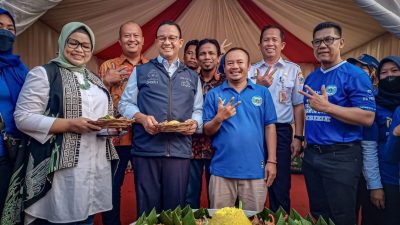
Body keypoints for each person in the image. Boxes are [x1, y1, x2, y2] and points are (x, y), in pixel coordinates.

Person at [11, 22, 118, 225]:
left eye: (86, 46)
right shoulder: (44, 74)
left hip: (96, 166)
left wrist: (112, 127)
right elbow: (23, 117)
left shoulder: (95, 79)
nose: (79, 50)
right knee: (59, 215)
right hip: (60, 170)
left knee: (87, 216)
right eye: (74, 43)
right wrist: (69, 124)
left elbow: (101, 118)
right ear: (62, 43)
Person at [119, 20, 203, 216]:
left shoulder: (192, 76)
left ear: (180, 42)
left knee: (174, 211)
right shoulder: (141, 71)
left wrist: (195, 123)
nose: (167, 42)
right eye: (163, 38)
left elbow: (198, 109)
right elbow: (124, 104)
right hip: (146, 150)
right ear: (156, 41)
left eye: (172, 38)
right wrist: (140, 118)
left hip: (179, 151)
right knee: (147, 211)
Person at [298, 21, 375, 225]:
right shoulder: (312, 78)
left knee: (342, 216)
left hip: (341, 157)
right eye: (317, 41)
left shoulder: (355, 75)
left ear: (341, 43)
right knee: (319, 213)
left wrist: (329, 107)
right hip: (312, 156)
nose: (322, 45)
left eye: (328, 40)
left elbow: (367, 117)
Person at [203, 47, 277, 211]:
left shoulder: (262, 92)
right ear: (224, 67)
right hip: (221, 171)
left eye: (239, 62)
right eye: (230, 63)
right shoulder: (214, 94)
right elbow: (207, 130)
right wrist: (219, 118)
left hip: (255, 172)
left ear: (249, 65)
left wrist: (272, 160)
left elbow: (270, 126)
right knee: (220, 221)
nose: (235, 66)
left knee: (254, 220)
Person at [248, 25, 305, 212]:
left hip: (281, 131)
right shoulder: (250, 70)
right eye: (266, 40)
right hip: (253, 131)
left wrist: (298, 137)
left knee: (280, 185)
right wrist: (257, 85)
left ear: (282, 44)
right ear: (259, 44)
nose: (270, 43)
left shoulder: (293, 70)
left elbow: (298, 105)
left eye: (274, 40)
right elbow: (242, 98)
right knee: (251, 182)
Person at [98, 21, 148, 225]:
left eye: (136, 35)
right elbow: (95, 101)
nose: (132, 39)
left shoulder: (152, 66)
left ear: (143, 40)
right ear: (119, 40)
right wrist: (105, 82)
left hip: (146, 136)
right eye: (127, 36)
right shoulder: (108, 66)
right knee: (111, 186)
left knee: (146, 186)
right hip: (117, 139)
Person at [185, 38, 224, 209]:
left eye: (211, 53)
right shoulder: (187, 81)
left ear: (218, 57)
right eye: (202, 53)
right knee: (188, 197)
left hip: (219, 149)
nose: (207, 57)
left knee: (217, 200)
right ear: (198, 57)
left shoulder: (227, 81)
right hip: (190, 147)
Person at [362, 56, 400, 225]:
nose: (389, 76)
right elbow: (369, 149)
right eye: (384, 73)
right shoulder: (373, 105)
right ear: (378, 77)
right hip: (385, 180)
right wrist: (375, 185)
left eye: (395, 71)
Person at [0, 8, 28, 218]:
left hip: (13, 149)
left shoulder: (19, 68)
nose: (5, 33)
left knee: (9, 210)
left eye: (10, 29)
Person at [346, 53, 380, 224]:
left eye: (363, 68)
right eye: (354, 68)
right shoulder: (347, 97)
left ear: (374, 73)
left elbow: (369, 143)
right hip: (350, 166)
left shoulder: (379, 99)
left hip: (375, 170)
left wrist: (375, 184)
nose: (357, 72)